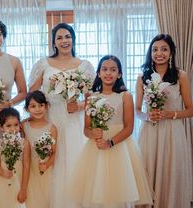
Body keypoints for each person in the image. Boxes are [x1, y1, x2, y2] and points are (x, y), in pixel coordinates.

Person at [69, 55, 153, 208]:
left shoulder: (125, 96)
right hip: (96, 148)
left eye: (113, 70)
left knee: (118, 190)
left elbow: (129, 127)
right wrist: (93, 134)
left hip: (119, 147)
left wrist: (110, 142)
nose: (108, 73)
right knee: (98, 190)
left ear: (119, 74)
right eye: (105, 69)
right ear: (99, 73)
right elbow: (86, 129)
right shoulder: (91, 97)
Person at [28, 23, 95, 208]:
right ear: (54, 42)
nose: (64, 41)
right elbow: (32, 94)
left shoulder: (85, 66)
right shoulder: (43, 64)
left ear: (73, 40)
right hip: (51, 119)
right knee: (51, 160)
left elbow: (93, 99)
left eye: (68, 37)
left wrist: (79, 105)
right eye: (59, 37)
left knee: (75, 161)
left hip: (75, 121)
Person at [135, 34, 193, 208]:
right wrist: (147, 116)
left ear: (171, 52)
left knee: (169, 171)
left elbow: (190, 110)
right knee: (147, 170)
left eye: (164, 49)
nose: (159, 53)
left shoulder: (180, 76)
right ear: (150, 52)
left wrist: (171, 114)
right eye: (155, 49)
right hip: (150, 131)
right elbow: (137, 110)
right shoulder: (142, 77)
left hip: (172, 132)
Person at [0, 107, 30, 208]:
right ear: (1, 127)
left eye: (16, 125)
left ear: (20, 125)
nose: (13, 129)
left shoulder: (25, 143)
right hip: (1, 180)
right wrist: (3, 173)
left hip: (18, 180)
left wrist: (23, 189)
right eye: (8, 126)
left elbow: (26, 166)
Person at [22, 90, 57, 208]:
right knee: (31, 199)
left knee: (44, 199)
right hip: (27, 168)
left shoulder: (51, 128)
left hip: (44, 169)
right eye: (33, 106)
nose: (37, 109)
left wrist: (46, 165)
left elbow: (54, 153)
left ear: (46, 106)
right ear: (27, 109)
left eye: (41, 105)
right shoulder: (23, 125)